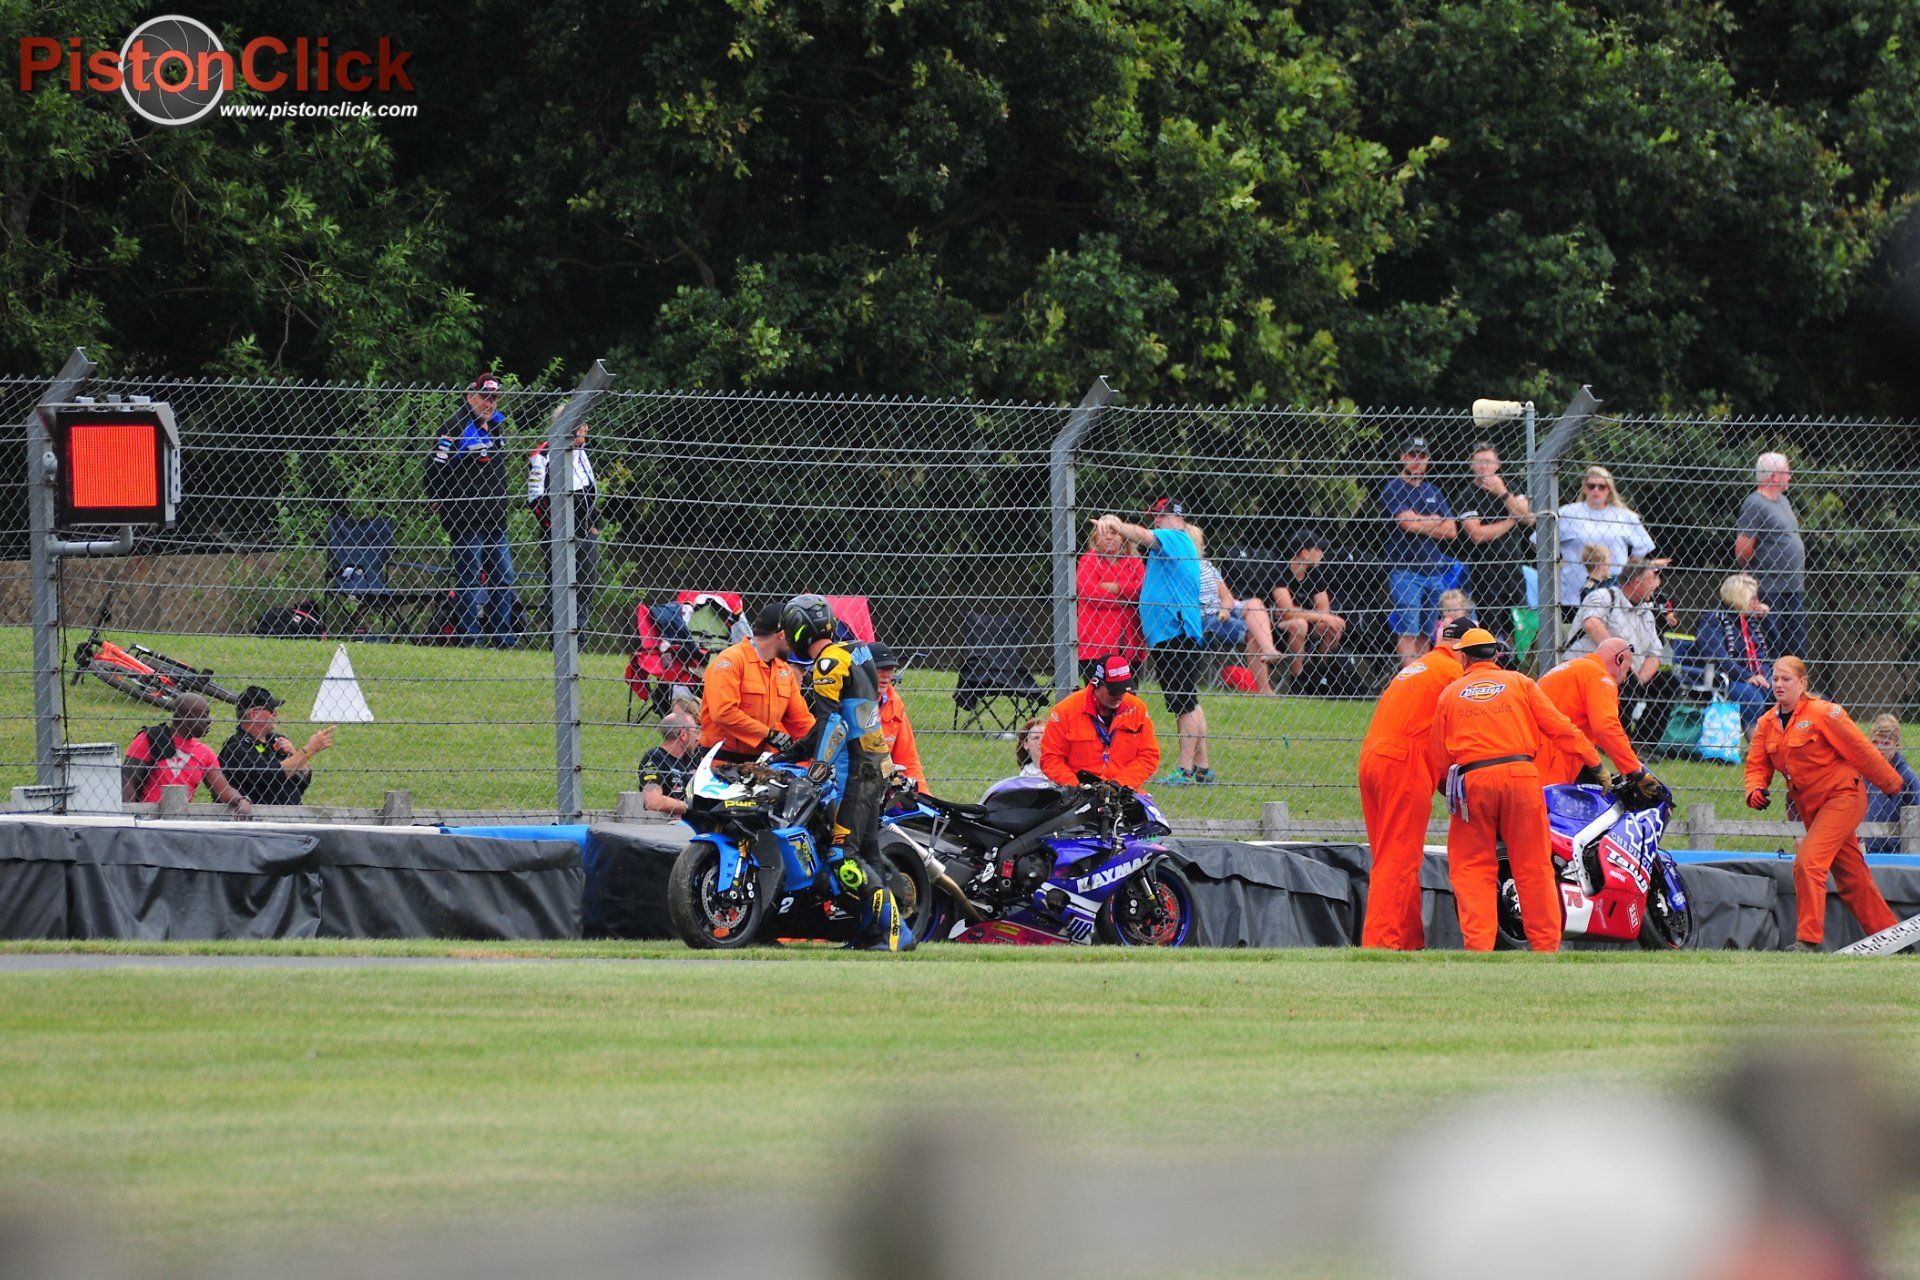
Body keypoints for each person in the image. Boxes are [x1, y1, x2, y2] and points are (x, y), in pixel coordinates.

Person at [1429, 627, 1599, 952]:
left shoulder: (1450, 694)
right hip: (1522, 777)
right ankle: (1545, 946)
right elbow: (1560, 727)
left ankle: (1479, 947)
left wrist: (1448, 791)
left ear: (1463, 657)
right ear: (1496, 654)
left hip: (1473, 781)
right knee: (1534, 865)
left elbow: (1439, 757)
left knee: (1472, 867)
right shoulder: (1521, 683)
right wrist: (1595, 763)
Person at [1744, 657, 1906, 951]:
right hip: (1813, 811)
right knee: (1852, 877)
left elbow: (1859, 748)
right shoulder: (1766, 723)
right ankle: (1893, 941)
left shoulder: (1823, 712)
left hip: (1844, 798)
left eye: (1786, 679)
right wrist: (1755, 790)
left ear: (1802, 683)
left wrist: (1890, 782)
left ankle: (1807, 941)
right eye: (1775, 679)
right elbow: (1756, 765)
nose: (1779, 684)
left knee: (1808, 862)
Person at [782, 594, 913, 951]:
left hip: (855, 772)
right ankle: (879, 934)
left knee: (843, 857)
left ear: (797, 632)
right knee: (868, 853)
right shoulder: (855, 651)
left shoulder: (826, 665)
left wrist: (817, 770)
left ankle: (894, 933)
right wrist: (793, 752)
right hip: (875, 765)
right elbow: (847, 715)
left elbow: (834, 724)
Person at [1357, 617, 1469, 950]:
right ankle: (1381, 944)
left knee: (1390, 854)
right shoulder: (1453, 673)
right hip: (1403, 762)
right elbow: (1460, 734)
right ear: (1464, 650)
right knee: (1399, 858)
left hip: (1373, 756)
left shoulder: (1419, 666)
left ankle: (1407, 941)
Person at [1096, 501, 1211, 786]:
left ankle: (1185, 770)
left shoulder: (1174, 537)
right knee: (1189, 700)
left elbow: (1144, 536)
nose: (1156, 522)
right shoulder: (1176, 544)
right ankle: (1201, 768)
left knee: (1183, 703)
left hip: (1175, 632)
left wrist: (1116, 525)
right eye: (1154, 518)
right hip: (1176, 632)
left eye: (1160, 516)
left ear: (1174, 517)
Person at [425, 373, 519, 647]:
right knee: (469, 577)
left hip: (495, 519)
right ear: (470, 396)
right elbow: (434, 467)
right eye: (485, 398)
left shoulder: (498, 426)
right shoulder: (454, 426)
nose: (489, 404)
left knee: (504, 576)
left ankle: (502, 637)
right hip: (465, 519)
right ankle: (470, 638)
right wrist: (436, 495)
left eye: (494, 399)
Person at [1564, 557, 1680, 748]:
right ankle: (1615, 741)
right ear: (1636, 582)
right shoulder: (1604, 597)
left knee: (1667, 683)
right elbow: (1591, 623)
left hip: (1629, 674)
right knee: (1625, 680)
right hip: (1592, 671)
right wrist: (1620, 656)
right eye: (1652, 579)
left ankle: (1643, 743)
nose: (1656, 585)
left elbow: (1655, 653)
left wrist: (1639, 678)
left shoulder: (1646, 611)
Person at [699, 602, 815, 764]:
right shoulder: (731, 661)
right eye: (796, 637)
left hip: (760, 766)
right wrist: (768, 734)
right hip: (720, 765)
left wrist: (822, 745)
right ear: (782, 635)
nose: (797, 645)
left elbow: (801, 722)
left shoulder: (783, 671)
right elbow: (723, 712)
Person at [1379, 436, 1459, 666]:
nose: (1417, 461)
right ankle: (1410, 678)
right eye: (1412, 455)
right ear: (1402, 457)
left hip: (1433, 571)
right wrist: (1435, 520)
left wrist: (1420, 521)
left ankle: (1423, 674)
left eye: (1422, 456)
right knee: (1408, 630)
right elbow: (1407, 524)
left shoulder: (1433, 490)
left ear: (1428, 460)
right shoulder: (1394, 488)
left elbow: (1451, 530)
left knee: (1426, 631)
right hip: (1405, 571)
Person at [1038, 653, 1161, 790]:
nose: (1119, 696)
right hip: (1078, 792)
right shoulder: (1065, 711)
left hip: (1123, 790)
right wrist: (1077, 788)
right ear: (1095, 684)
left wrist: (1119, 784)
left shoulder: (1136, 708)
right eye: (1114, 691)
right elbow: (1051, 758)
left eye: (1123, 690)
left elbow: (1149, 756)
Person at [121, 693, 254, 818]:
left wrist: (241, 800)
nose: (209, 721)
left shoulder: (204, 753)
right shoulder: (151, 738)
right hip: (147, 816)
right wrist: (131, 816)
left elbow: (224, 790)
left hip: (181, 818)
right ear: (187, 718)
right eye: (204, 715)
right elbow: (128, 781)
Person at [528, 403, 601, 627]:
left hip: (584, 532)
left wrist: (593, 524)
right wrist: (557, 529)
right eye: (582, 423)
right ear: (568, 425)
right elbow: (535, 500)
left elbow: (589, 492)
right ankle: (558, 639)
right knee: (559, 590)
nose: (586, 428)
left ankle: (580, 638)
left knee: (585, 588)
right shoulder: (544, 454)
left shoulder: (581, 452)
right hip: (558, 534)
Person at [1547, 465, 1655, 611]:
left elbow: (1643, 547)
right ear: (1584, 488)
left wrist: (1628, 569)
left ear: (1609, 489)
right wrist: (1557, 560)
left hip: (1614, 593)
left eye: (1602, 486)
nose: (1596, 490)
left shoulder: (1623, 515)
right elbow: (1539, 541)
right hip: (1574, 594)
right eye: (1591, 486)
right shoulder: (1568, 513)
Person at [1192, 523, 1283, 695]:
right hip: (1203, 618)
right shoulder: (1176, 569)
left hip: (1221, 611)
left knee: (1255, 603)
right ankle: (1264, 689)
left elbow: (1226, 597)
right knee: (1253, 631)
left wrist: (1225, 609)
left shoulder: (1207, 566)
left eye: (1199, 543)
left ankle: (1269, 650)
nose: (1200, 547)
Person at [1536, 639, 1642, 786]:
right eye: (1627, 670)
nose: (1624, 679)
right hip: (1553, 761)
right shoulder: (1599, 677)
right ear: (1619, 659)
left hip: (1532, 754)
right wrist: (1636, 771)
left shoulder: (1572, 668)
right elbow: (1606, 728)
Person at [1735, 451, 1807, 663]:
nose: (1790, 477)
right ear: (1774, 476)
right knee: (1771, 647)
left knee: (1795, 649)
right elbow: (1743, 550)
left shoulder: (1783, 502)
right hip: (1769, 588)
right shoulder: (1754, 503)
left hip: (1792, 588)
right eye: (1787, 472)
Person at [1458, 441, 1535, 636]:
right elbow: (1477, 534)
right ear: (1471, 465)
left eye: (1488, 461)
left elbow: (1528, 518)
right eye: (1479, 461)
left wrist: (1502, 493)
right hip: (1485, 572)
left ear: (1497, 464)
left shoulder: (1510, 487)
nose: (1484, 466)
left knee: (1519, 629)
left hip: (1513, 568)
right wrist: (1512, 520)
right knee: (1490, 632)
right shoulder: (1467, 495)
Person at [215, 685, 336, 808]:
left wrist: (294, 753)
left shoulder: (276, 740)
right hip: (257, 816)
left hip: (291, 813)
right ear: (253, 714)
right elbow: (270, 776)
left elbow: (302, 782)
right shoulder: (236, 748)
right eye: (271, 710)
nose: (276, 714)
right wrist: (309, 749)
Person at [1692, 572, 1774, 732]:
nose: (1757, 602)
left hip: (1762, 675)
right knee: (1752, 697)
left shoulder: (1751, 620)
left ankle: (1783, 739)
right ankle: (1755, 742)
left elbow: (1776, 646)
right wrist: (1747, 676)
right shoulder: (1714, 619)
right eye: (1753, 598)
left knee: (1788, 692)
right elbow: (1718, 656)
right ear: (1739, 599)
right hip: (1731, 678)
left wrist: (1766, 619)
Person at [1271, 531, 1347, 684]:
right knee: (1300, 624)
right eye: (1317, 549)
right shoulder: (1280, 571)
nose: (1321, 553)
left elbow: (1324, 609)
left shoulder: (1314, 573)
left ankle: (1320, 672)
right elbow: (1288, 613)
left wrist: (1322, 617)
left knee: (1334, 626)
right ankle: (1297, 679)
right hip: (1278, 628)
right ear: (1304, 553)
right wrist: (1321, 616)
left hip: (1310, 624)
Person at [1075, 519, 1146, 684]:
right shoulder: (1088, 561)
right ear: (1095, 537)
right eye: (1103, 532)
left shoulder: (1134, 562)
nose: (1108, 537)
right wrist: (1125, 600)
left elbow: (1141, 590)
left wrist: (1115, 587)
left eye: (1114, 533)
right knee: (1097, 690)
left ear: (1123, 537)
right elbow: (1090, 592)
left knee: (1129, 692)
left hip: (1130, 641)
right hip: (1095, 643)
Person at [868, 642, 926, 789]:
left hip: (881, 782)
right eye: (880, 669)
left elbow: (908, 761)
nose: (886, 675)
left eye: (890, 669)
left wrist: (923, 797)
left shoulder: (894, 703)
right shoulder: (846, 702)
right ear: (864, 670)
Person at [1864, 715, 1920, 854]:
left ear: (1897, 745)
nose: (1879, 748)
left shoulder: (1906, 776)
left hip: (1894, 851)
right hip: (1868, 848)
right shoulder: (1866, 772)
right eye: (1875, 742)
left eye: (1886, 743)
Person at [638, 710, 699, 820]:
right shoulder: (654, 758)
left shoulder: (693, 757)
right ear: (683, 735)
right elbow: (653, 801)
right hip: (665, 825)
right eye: (695, 732)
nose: (698, 738)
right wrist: (695, 808)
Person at [982, 717, 1050, 800]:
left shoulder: (1061, 770)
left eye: (1045, 736)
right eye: (1036, 738)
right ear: (1026, 744)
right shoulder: (1025, 775)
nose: (1042, 741)